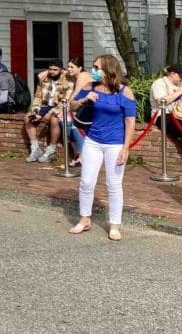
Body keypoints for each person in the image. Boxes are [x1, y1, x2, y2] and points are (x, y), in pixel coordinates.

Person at [68, 54, 136, 241]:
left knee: (113, 184)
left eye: (98, 68)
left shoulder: (124, 92)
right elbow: (72, 106)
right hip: (93, 141)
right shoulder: (89, 86)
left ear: (109, 70)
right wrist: (84, 100)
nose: (94, 71)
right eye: (93, 67)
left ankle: (114, 225)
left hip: (115, 143)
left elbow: (130, 122)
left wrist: (126, 148)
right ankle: (84, 219)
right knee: (86, 181)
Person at [24, 60, 75, 163]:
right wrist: (35, 111)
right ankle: (36, 149)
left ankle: (51, 150)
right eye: (50, 69)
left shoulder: (68, 80)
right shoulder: (44, 78)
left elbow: (66, 100)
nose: (52, 72)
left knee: (54, 119)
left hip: (60, 106)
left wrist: (51, 112)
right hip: (45, 105)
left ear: (61, 70)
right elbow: (38, 97)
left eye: (55, 70)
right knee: (27, 117)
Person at [150, 64, 182, 165]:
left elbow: (181, 103)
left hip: (180, 113)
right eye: (181, 76)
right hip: (162, 115)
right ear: (172, 74)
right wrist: (179, 92)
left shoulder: (179, 85)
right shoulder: (159, 83)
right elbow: (161, 101)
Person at [47, 57, 89, 167]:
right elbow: (61, 70)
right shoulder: (75, 74)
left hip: (88, 107)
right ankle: (76, 152)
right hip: (79, 106)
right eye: (68, 66)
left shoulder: (82, 76)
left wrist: (64, 109)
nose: (69, 69)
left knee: (71, 121)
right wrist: (45, 72)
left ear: (80, 68)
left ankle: (82, 155)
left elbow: (75, 94)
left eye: (72, 67)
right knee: (63, 120)